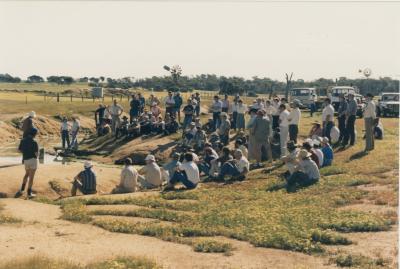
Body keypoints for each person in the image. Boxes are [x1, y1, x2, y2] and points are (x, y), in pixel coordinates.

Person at [15, 128, 39, 198]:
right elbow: (36, 154)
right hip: (33, 160)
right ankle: (29, 193)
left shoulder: (23, 140)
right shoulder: (34, 142)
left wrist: (25, 152)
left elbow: (19, 150)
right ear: (34, 134)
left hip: (26, 160)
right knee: (31, 177)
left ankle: (22, 189)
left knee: (26, 174)